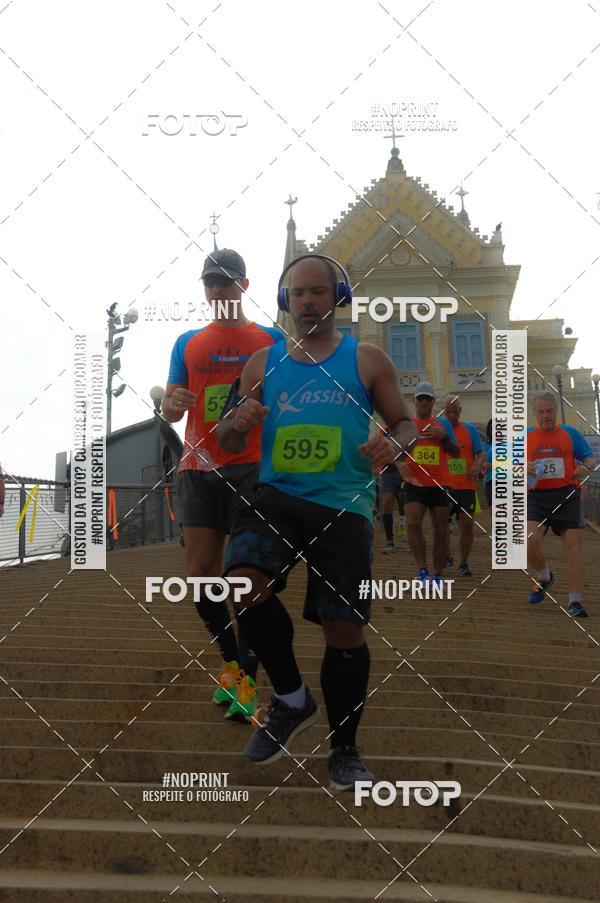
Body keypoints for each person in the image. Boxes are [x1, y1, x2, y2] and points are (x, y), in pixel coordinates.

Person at [216, 253, 417, 790]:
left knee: (344, 628)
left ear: (337, 298)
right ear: (285, 301)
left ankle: (344, 750)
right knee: (241, 583)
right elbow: (228, 439)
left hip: (345, 503)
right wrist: (237, 420)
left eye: (317, 292)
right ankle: (290, 698)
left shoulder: (367, 359)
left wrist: (392, 442)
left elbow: (403, 420)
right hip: (275, 494)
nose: (306, 301)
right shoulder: (261, 364)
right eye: (297, 293)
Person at [163, 248, 282, 720]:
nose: (217, 288)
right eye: (210, 281)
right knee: (202, 580)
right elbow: (172, 407)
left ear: (244, 285)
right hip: (199, 468)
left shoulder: (271, 339)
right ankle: (233, 665)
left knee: (246, 581)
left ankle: (249, 679)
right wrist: (172, 403)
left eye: (225, 281)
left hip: (254, 467)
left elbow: (289, 399)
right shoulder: (187, 342)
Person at [526, 391, 596, 617]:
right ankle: (545, 577)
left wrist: (586, 467)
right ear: (534, 413)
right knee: (528, 542)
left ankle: (575, 601)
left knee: (574, 549)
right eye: (540, 412)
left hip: (567, 496)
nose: (545, 416)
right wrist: (521, 467)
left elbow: (590, 458)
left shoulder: (570, 433)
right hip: (537, 498)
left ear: (555, 411)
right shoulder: (525, 436)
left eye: (549, 411)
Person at [396, 383, 460, 584]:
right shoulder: (406, 425)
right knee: (413, 522)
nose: (424, 402)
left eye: (427, 399)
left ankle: (438, 573)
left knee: (441, 529)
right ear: (414, 401)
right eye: (420, 399)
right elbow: (394, 451)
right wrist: (398, 464)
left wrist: (444, 437)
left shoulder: (443, 424)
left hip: (440, 483)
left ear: (433, 402)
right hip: (414, 483)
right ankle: (422, 570)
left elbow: (456, 452)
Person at [443, 395, 485, 576]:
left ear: (460, 411)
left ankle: (464, 562)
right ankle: (445, 555)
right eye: (448, 412)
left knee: (467, 525)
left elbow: (481, 452)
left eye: (455, 412)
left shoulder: (469, 430)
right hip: (444, 485)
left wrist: (477, 464)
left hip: (466, 486)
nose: (452, 416)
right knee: (441, 525)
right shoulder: (439, 429)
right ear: (444, 412)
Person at [380, 425, 407, 553]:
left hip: (404, 470)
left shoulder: (405, 428)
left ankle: (402, 524)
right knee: (387, 504)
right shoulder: (383, 430)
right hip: (387, 472)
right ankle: (390, 542)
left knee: (403, 502)